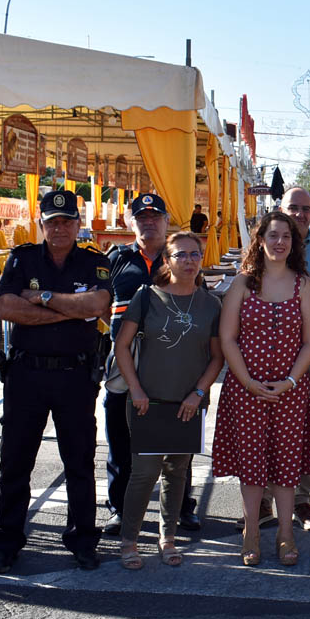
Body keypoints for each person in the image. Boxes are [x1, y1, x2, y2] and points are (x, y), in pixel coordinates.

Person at [0, 190, 112, 573]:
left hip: (76, 375)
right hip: (27, 374)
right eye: (52, 222)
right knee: (15, 462)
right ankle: (6, 541)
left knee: (79, 462)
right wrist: (70, 311)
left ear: (78, 224)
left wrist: (40, 298)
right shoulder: (22, 258)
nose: (59, 228)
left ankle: (83, 540)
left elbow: (97, 306)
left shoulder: (95, 261)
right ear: (41, 224)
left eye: (67, 222)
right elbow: (6, 307)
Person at [214, 212, 310, 566]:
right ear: (260, 240)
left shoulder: (303, 285)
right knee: (252, 463)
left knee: (286, 464)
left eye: (286, 236)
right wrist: (248, 382)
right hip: (246, 389)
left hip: (291, 390)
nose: (279, 242)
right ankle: (251, 531)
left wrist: (290, 381)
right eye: (272, 235)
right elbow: (227, 338)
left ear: (294, 242)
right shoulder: (243, 284)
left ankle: (286, 534)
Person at [114, 232, 223, 570]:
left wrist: (199, 393)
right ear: (167, 261)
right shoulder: (147, 297)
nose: (189, 261)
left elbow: (217, 358)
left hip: (188, 402)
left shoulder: (210, 304)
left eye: (195, 254)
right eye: (180, 255)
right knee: (144, 473)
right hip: (149, 401)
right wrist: (135, 390)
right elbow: (121, 346)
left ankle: (168, 537)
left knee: (177, 472)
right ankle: (129, 540)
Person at [103, 194, 201, 536]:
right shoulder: (115, 259)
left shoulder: (179, 257)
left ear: (166, 220)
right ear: (131, 222)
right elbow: (103, 305)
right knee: (120, 438)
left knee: (177, 439)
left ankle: (182, 508)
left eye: (155, 216)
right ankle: (120, 508)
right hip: (125, 360)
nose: (148, 222)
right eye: (141, 217)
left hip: (171, 361)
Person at [249, 186, 310, 532]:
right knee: (266, 432)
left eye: (305, 209)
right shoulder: (263, 249)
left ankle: (301, 499)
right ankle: (265, 501)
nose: (300, 214)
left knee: (304, 433)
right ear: (280, 209)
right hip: (268, 360)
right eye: (293, 208)